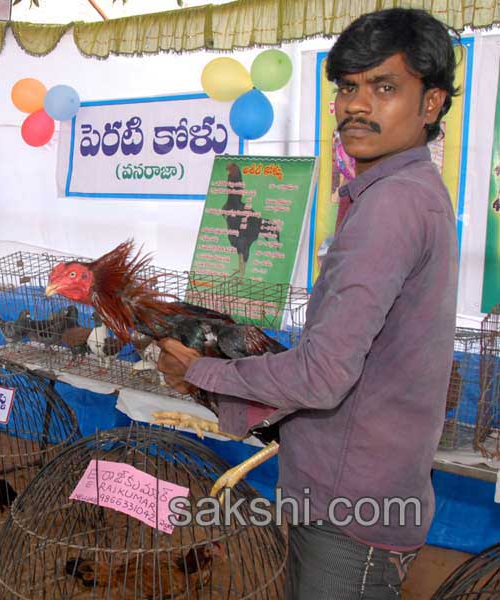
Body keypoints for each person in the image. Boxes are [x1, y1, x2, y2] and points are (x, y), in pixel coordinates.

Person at [157, 8, 459, 599]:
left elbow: (321, 376)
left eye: (385, 87)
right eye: (348, 86)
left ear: (431, 104)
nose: (356, 105)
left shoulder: (392, 206)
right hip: (354, 492)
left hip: (353, 509)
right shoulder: (407, 193)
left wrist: (199, 371)